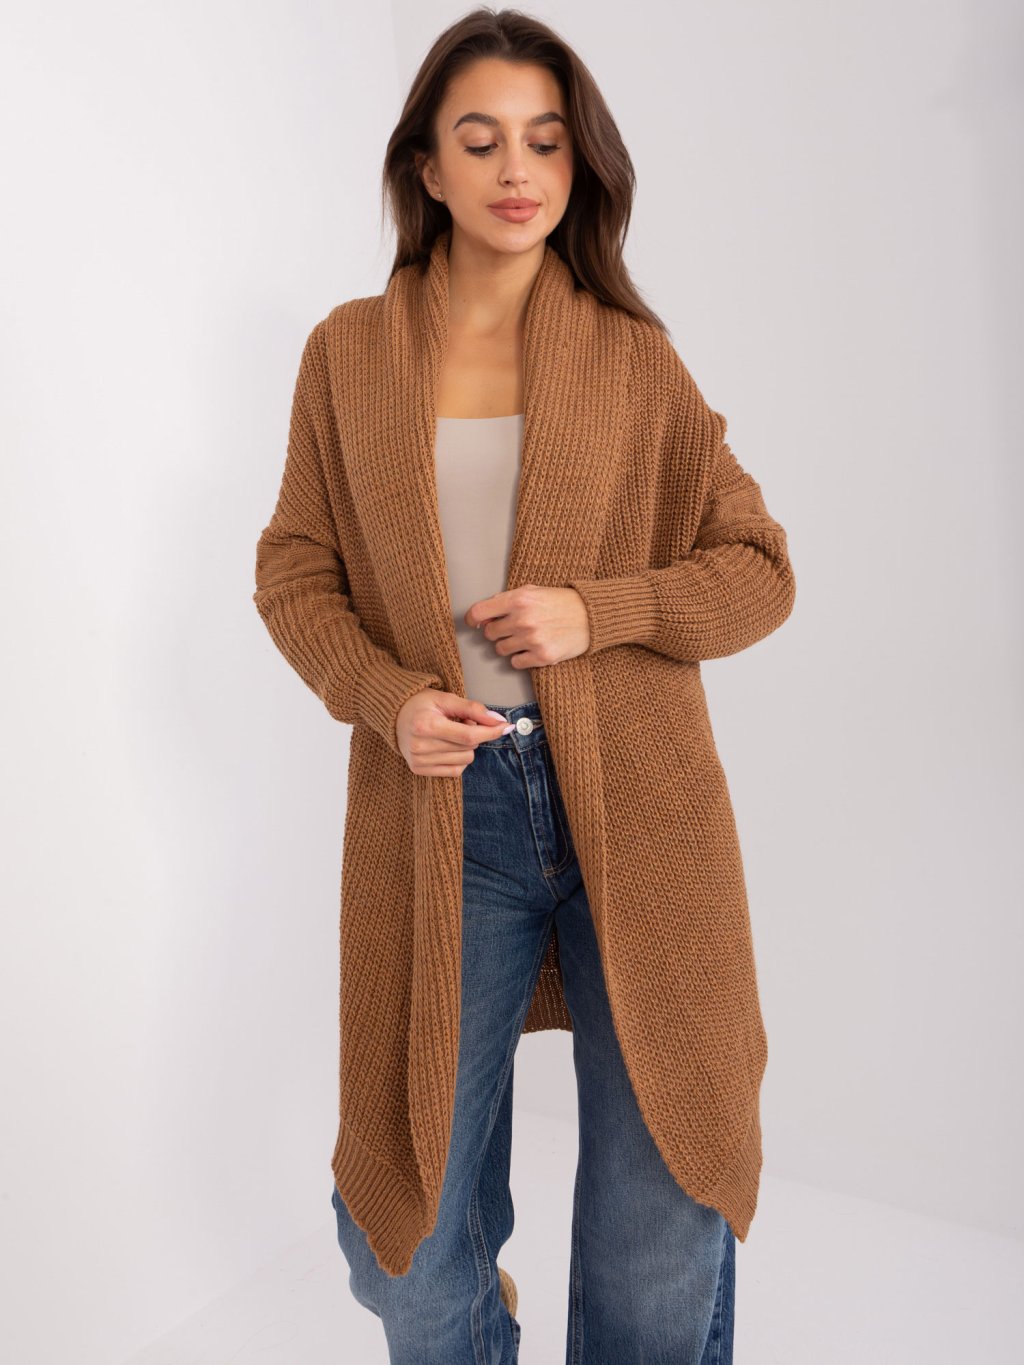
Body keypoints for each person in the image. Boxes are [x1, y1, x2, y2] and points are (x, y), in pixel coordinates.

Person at [253, 9, 796, 1364]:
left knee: (658, 1208)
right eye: (482, 138)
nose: (518, 170)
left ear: (579, 163)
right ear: (426, 167)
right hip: (448, 815)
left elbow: (758, 569)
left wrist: (597, 612)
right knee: (408, 1231)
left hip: (643, 808)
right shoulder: (349, 354)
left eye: (547, 141)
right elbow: (294, 573)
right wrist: (386, 698)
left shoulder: (632, 358)